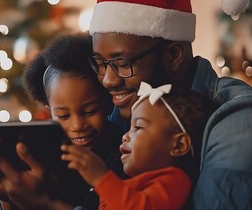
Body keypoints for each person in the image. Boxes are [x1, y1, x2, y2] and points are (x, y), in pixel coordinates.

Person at [0, 0, 252, 209]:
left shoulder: (235, 119)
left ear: (173, 55)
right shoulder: (125, 106)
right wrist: (16, 190)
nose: (106, 80)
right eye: (99, 63)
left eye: (120, 62)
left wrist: (43, 204)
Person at [0, 34, 124, 210]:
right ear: (48, 110)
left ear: (107, 102)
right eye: (63, 116)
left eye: (90, 111)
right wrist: (8, 193)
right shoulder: (39, 147)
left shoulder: (120, 150)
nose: (77, 126)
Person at [61, 81, 216, 209]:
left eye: (138, 127)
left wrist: (101, 178)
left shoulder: (175, 181)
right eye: (129, 127)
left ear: (179, 145)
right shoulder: (132, 183)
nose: (125, 136)